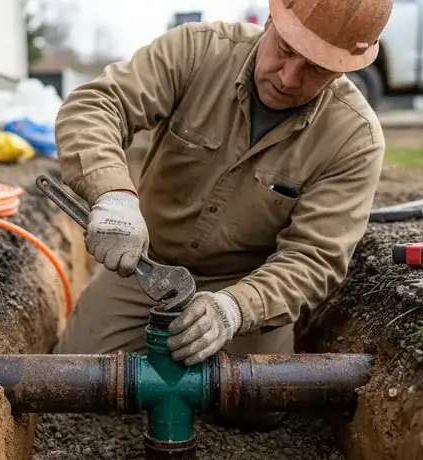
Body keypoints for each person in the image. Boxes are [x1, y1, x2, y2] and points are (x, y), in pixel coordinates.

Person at [52, 0, 393, 428]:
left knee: (258, 408)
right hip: (146, 270)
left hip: (247, 284)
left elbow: (314, 258)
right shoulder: (197, 50)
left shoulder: (354, 138)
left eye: (316, 70)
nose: (289, 78)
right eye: (285, 50)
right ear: (270, 21)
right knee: (74, 385)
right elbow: (97, 104)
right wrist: (114, 194)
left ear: (344, 69)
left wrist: (235, 308)